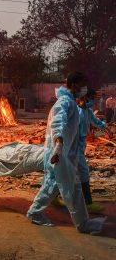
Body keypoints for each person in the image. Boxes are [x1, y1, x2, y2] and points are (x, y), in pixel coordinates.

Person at [26, 71, 106, 235]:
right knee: (67, 187)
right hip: (60, 153)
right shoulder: (64, 102)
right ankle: (38, 213)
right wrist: (59, 146)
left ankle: (37, 212)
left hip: (66, 153)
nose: (85, 88)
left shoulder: (71, 103)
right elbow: (57, 124)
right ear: (75, 84)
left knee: (58, 185)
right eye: (83, 83)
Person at [78, 89, 113, 212]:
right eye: (93, 98)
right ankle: (87, 203)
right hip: (73, 147)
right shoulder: (77, 112)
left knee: (69, 173)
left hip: (79, 147)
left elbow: (96, 121)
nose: (95, 102)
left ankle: (54, 197)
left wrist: (106, 128)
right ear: (85, 98)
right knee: (83, 172)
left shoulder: (87, 111)